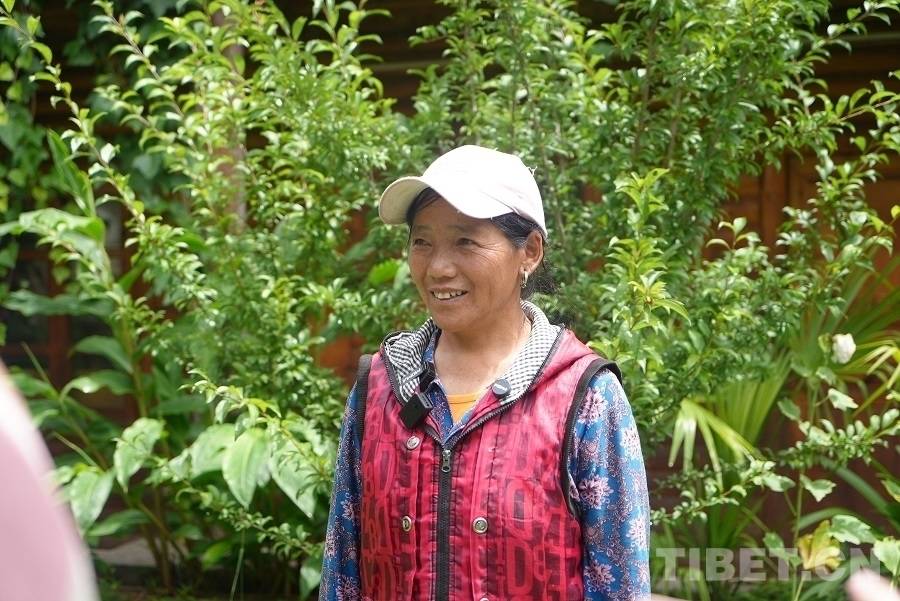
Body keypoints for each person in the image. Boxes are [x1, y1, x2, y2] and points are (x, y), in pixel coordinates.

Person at [319, 145, 650, 600]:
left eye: (465, 241)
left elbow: (621, 586)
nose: (438, 267)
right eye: (422, 241)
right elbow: (343, 572)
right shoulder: (381, 388)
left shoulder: (584, 396)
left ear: (529, 251)